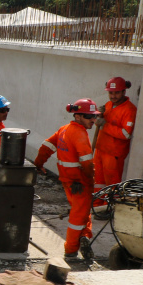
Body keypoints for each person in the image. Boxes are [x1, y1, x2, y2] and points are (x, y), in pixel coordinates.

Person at [34, 99, 100, 259]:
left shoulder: (64, 130)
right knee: (78, 217)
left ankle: (85, 235)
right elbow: (87, 163)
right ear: (78, 116)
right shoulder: (80, 134)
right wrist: (91, 183)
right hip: (80, 183)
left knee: (84, 212)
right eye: (89, 116)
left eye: (94, 116)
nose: (93, 120)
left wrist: (39, 163)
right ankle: (70, 250)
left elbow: (47, 146)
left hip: (68, 181)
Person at [93, 77, 137, 203]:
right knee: (98, 183)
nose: (113, 96)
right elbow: (100, 123)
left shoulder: (129, 109)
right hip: (101, 149)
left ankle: (110, 209)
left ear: (124, 92)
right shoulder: (108, 105)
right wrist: (98, 116)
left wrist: (104, 125)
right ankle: (97, 207)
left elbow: (125, 134)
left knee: (112, 185)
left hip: (114, 154)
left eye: (117, 92)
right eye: (111, 93)